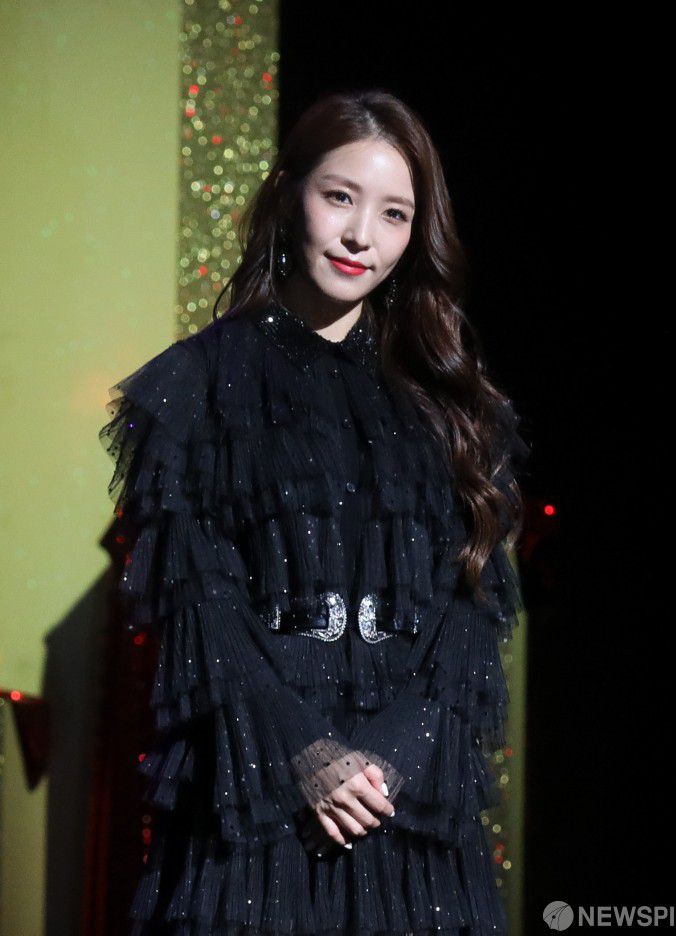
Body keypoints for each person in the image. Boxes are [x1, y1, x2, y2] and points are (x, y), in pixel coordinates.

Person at [99, 88, 530, 935]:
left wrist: (396, 752)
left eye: (394, 214)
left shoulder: (450, 403)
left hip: (408, 806)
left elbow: (472, 603)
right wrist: (304, 752)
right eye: (340, 196)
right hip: (255, 793)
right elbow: (199, 604)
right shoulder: (195, 387)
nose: (361, 235)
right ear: (287, 192)